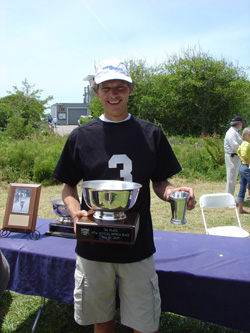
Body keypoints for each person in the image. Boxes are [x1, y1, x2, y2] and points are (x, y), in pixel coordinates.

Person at [52, 59, 196, 333]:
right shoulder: (81, 136)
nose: (113, 94)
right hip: (93, 247)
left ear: (131, 90)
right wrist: (75, 213)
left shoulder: (151, 133)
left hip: (138, 246)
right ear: (96, 92)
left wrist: (174, 193)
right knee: (101, 321)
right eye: (106, 88)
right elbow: (68, 186)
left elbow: (160, 182)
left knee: (143, 323)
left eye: (120, 87)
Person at [224, 116, 243, 195]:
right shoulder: (231, 132)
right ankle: (229, 197)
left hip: (236, 157)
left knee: (233, 178)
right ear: (239, 123)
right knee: (231, 178)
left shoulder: (235, 132)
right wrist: (244, 150)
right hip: (232, 157)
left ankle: (230, 196)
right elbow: (235, 146)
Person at [236, 127, 250, 214]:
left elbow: (238, 152)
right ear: (246, 135)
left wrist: (242, 160)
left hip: (242, 167)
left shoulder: (243, 143)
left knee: (242, 188)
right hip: (247, 168)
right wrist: (247, 162)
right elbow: (244, 153)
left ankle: (240, 208)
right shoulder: (247, 144)